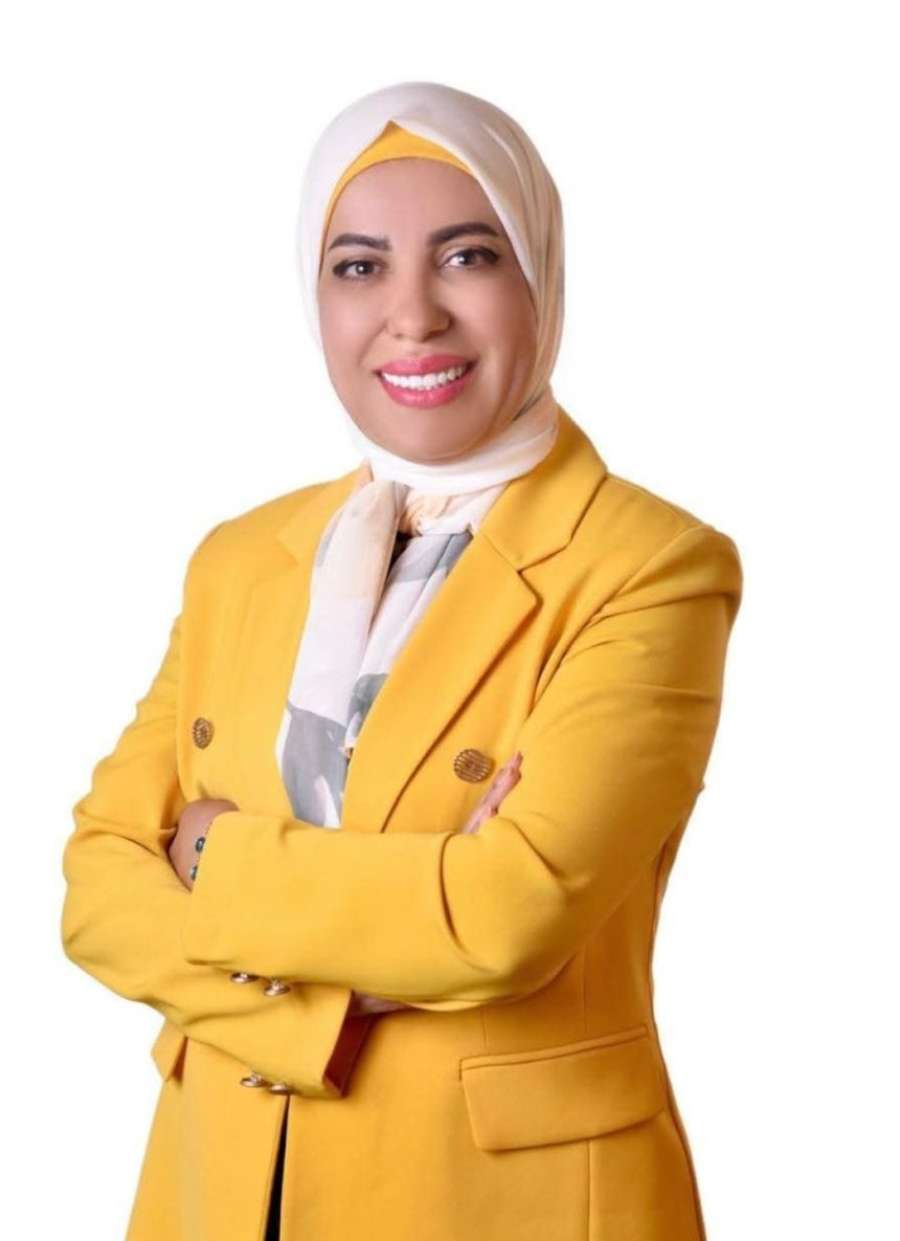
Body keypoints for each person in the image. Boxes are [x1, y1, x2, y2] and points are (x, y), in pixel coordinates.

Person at [60, 80, 743, 1241]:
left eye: (468, 256)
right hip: (221, 1188)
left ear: (540, 273)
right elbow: (96, 890)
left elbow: (505, 914)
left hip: (501, 1201)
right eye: (359, 266)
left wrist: (213, 852)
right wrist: (338, 989)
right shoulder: (241, 558)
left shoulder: (651, 565)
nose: (412, 314)